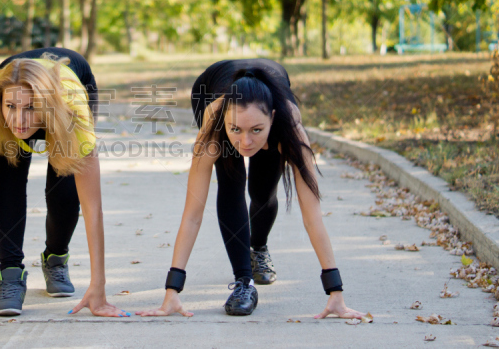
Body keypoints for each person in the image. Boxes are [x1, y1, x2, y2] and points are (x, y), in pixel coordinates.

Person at [138, 59, 363, 317]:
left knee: (263, 192)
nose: (245, 142)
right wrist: (172, 291)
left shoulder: (290, 129)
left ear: (273, 119)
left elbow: (313, 218)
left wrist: (336, 292)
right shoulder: (215, 123)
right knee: (231, 182)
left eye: (256, 130)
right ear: (226, 120)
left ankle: (259, 247)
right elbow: (192, 215)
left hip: (268, 104)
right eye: (237, 130)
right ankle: (244, 282)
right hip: (211, 85)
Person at [0, 48, 128, 318]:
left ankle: (55, 257)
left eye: (30, 108)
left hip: (68, 94)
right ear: (0, 102)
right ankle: (10, 274)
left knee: (65, 190)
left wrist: (98, 287)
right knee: (7, 181)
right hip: (17, 79)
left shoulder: (73, 112)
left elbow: (93, 207)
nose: (19, 121)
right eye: (10, 106)